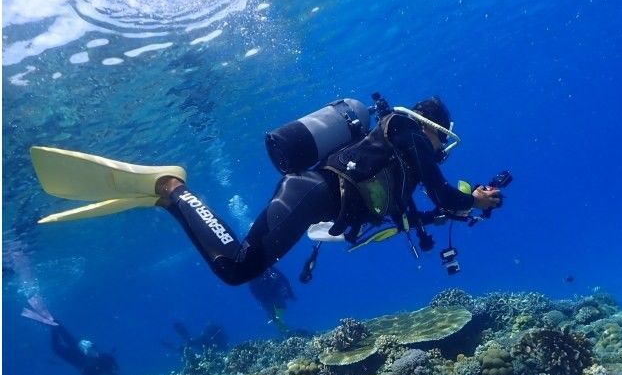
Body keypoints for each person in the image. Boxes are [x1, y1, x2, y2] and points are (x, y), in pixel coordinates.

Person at [31, 95, 502, 287]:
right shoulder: (409, 132)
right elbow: (443, 195)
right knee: (239, 268)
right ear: (434, 128)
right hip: (310, 191)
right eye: (444, 138)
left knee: (241, 269)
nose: (442, 148)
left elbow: (412, 211)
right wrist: (472, 201)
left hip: (313, 193)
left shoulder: (401, 151)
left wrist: (457, 213)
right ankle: (171, 186)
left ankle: (167, 198)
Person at [49, 323, 120, 375]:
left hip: (81, 351)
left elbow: (110, 360)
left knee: (68, 340)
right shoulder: (95, 373)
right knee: (58, 348)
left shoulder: (107, 366)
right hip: (75, 358)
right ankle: (56, 326)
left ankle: (57, 325)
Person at [249, 267, 296, 334]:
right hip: (263, 296)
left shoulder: (270, 268)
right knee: (273, 310)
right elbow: (255, 291)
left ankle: (280, 326)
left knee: (281, 307)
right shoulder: (253, 277)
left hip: (273, 291)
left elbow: (283, 278)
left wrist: (290, 292)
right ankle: (280, 326)